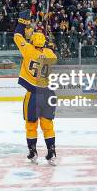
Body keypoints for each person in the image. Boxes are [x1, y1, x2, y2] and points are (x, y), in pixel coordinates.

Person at [14, 9, 58, 165]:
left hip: (33, 93)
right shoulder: (50, 54)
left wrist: (22, 22)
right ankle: (51, 152)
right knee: (48, 125)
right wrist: (49, 44)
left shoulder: (28, 50)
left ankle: (33, 152)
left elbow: (17, 36)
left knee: (31, 124)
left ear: (33, 42)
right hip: (48, 93)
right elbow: (51, 50)